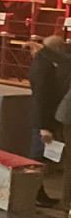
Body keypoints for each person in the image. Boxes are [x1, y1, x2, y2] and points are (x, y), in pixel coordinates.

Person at [27, 36, 71, 208]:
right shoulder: (44, 67)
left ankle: (38, 194)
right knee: (38, 157)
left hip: (52, 118)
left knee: (45, 158)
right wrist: (44, 126)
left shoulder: (50, 64)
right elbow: (41, 98)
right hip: (47, 120)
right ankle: (33, 194)